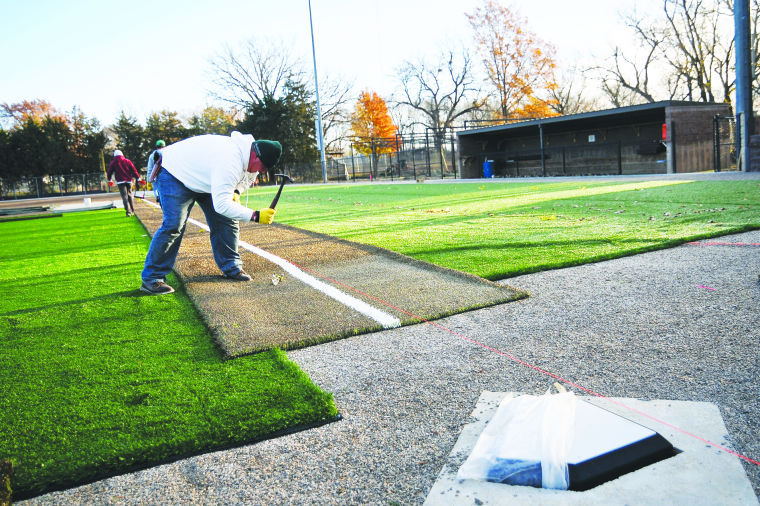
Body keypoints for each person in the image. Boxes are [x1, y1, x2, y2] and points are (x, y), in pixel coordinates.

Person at [140, 131, 282, 295]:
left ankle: (231, 267)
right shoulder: (230, 160)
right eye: (262, 168)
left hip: (207, 178)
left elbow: (247, 180)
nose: (262, 172)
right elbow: (222, 205)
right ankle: (152, 278)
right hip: (175, 173)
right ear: (256, 157)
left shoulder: (253, 158)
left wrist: (236, 191)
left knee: (226, 222)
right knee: (174, 224)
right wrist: (256, 215)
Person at [107, 150, 140, 216]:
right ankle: (132, 210)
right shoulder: (127, 161)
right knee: (130, 195)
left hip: (120, 181)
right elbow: (134, 170)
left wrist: (109, 180)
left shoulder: (113, 162)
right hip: (129, 180)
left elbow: (109, 172)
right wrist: (138, 178)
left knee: (124, 196)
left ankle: (128, 211)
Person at [147, 140, 165, 206]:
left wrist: (149, 180)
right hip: (167, 177)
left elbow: (150, 168)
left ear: (157, 146)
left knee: (157, 190)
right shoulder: (168, 153)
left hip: (157, 177)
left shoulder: (152, 156)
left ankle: (158, 197)